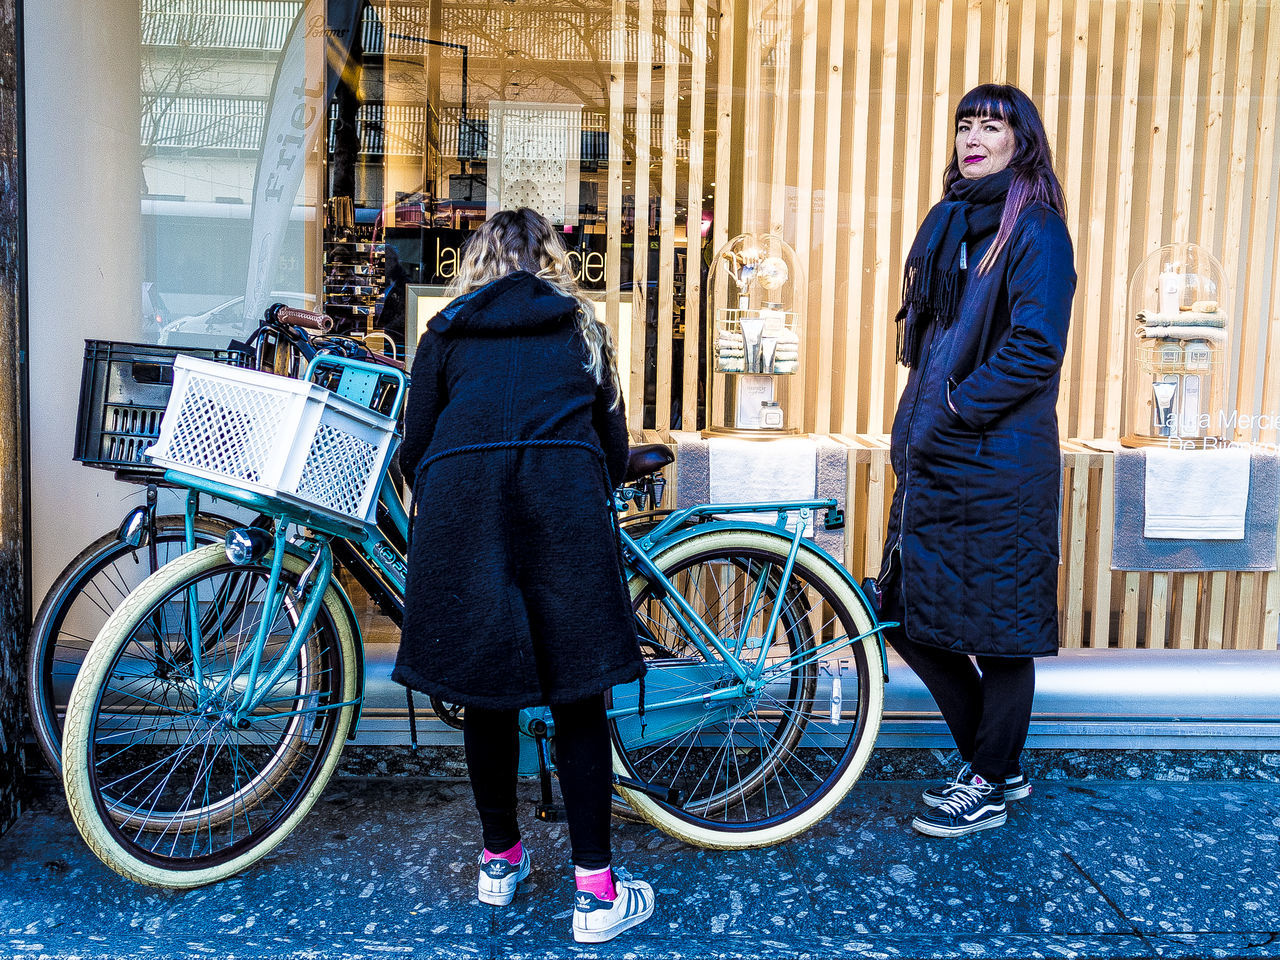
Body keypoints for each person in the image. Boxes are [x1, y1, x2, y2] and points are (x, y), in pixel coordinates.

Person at [392, 208, 655, 943]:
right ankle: (596, 896)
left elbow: (416, 448)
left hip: (462, 505)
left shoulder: (442, 333)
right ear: (551, 261)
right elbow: (611, 444)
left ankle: (499, 863)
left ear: (476, 260)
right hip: (560, 500)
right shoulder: (581, 327)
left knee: (487, 694)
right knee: (579, 696)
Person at [877, 83, 1076, 837]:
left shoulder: (1038, 231)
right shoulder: (951, 224)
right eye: (965, 123)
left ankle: (988, 779)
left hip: (998, 466)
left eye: (991, 124)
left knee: (1000, 633)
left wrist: (958, 408)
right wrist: (923, 423)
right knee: (902, 616)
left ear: (1021, 141)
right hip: (938, 460)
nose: (973, 135)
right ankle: (998, 764)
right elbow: (927, 349)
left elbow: (1035, 347)